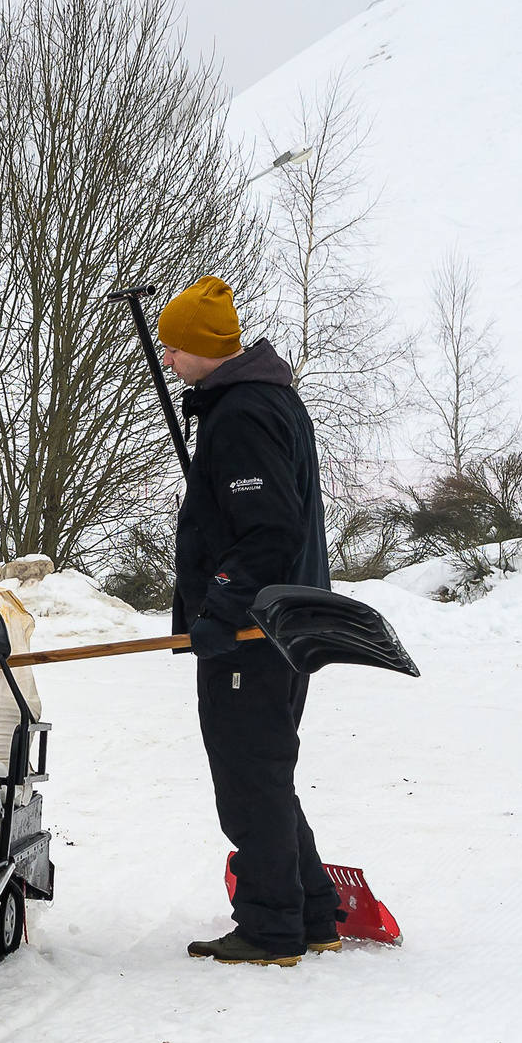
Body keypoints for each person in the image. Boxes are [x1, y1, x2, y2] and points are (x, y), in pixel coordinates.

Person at [157, 275, 345, 968]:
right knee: (267, 770)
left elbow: (268, 531)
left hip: (256, 634)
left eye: (175, 347)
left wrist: (222, 607)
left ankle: (271, 927)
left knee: (248, 778)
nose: (168, 359)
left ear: (206, 350)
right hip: (278, 627)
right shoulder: (268, 401)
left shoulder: (242, 415)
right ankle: (313, 910)